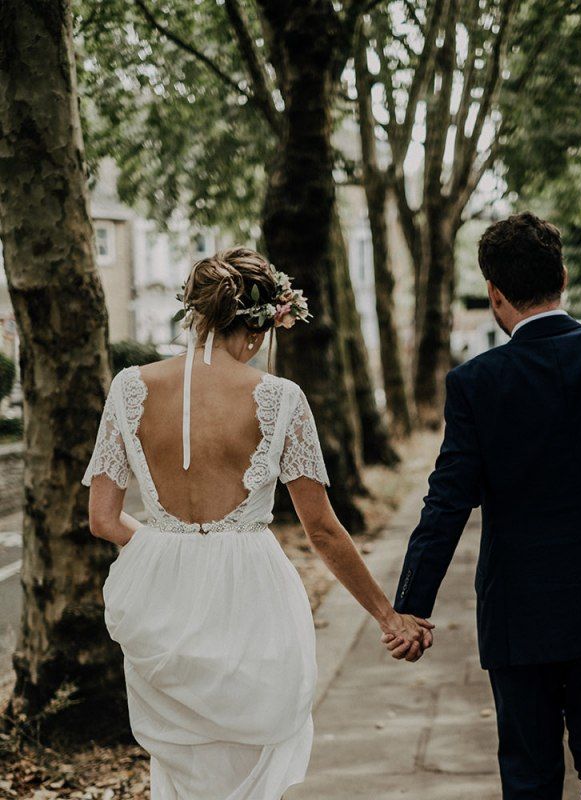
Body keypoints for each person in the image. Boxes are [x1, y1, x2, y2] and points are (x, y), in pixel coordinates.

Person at [82, 247, 433, 800]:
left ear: (195, 313)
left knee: (183, 762)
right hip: (249, 591)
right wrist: (388, 616)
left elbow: (102, 518)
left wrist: (164, 547)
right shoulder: (279, 398)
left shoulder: (129, 387)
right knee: (248, 757)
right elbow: (320, 528)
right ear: (261, 326)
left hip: (161, 590)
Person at [386, 213, 581, 799]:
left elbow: (448, 501)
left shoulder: (476, 383)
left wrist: (410, 607)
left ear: (495, 294)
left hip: (521, 614)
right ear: (563, 273)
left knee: (529, 779)